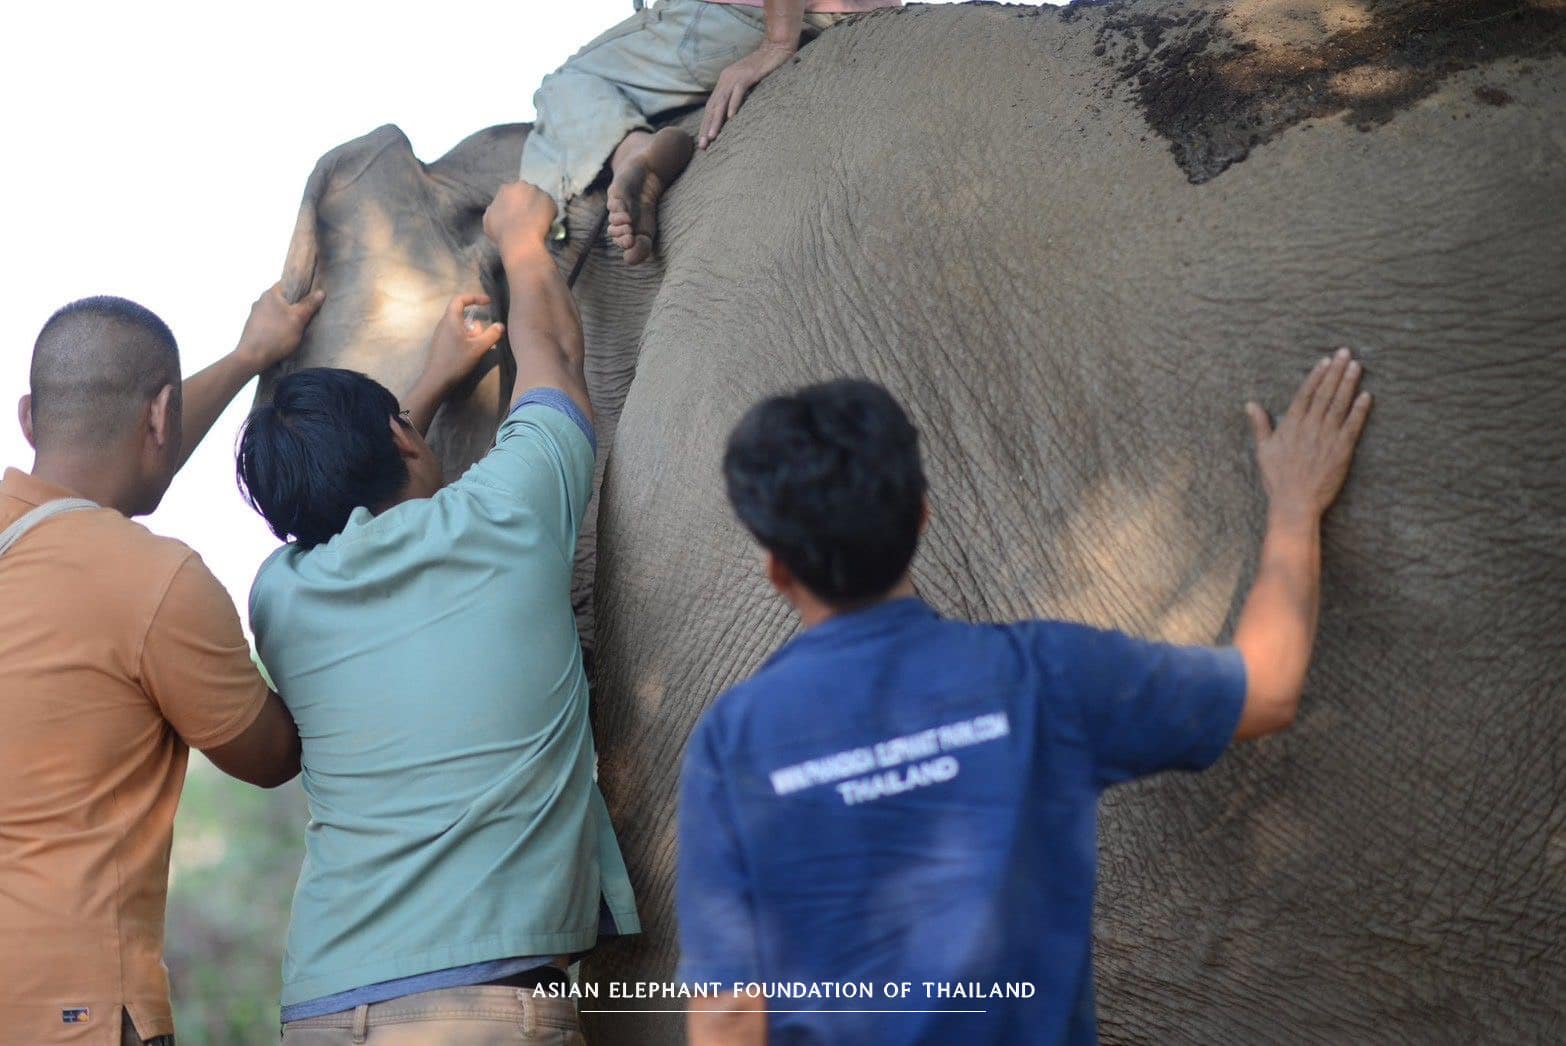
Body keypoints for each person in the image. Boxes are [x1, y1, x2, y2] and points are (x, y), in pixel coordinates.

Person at [677, 355, 1373, 1044]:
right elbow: (1268, 690)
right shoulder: (1047, 677)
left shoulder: (732, 743)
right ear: (922, 516)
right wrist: (1293, 505)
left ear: (776, 566)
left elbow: (729, 1018)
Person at [235, 181, 638, 1045]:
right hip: (483, 1009)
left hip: (321, 1006)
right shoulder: (507, 514)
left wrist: (419, 391)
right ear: (405, 443)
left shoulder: (279, 596)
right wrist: (523, 240)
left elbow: (344, 503)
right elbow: (556, 364)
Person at [0, 286, 324, 1046]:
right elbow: (272, 757)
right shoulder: (156, 583)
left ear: (26, 418)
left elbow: (126, 457)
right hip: (74, 1012)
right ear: (159, 416)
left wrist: (248, 359)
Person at [522, 0, 901, 264]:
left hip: (739, 16)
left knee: (566, 83)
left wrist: (777, 42)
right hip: (859, 12)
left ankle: (633, 151)